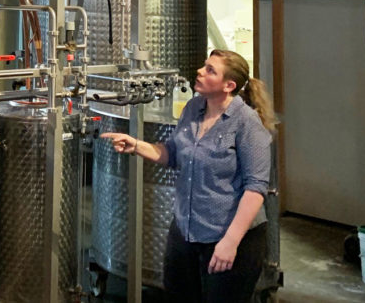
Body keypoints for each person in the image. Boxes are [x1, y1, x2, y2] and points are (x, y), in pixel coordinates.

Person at [101, 48, 275, 303]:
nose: (200, 71)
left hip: (228, 237)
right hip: (185, 231)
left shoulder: (246, 123)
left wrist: (230, 242)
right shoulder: (194, 108)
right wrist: (136, 145)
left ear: (229, 85)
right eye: (204, 66)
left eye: (210, 70)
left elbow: (255, 188)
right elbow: (172, 153)